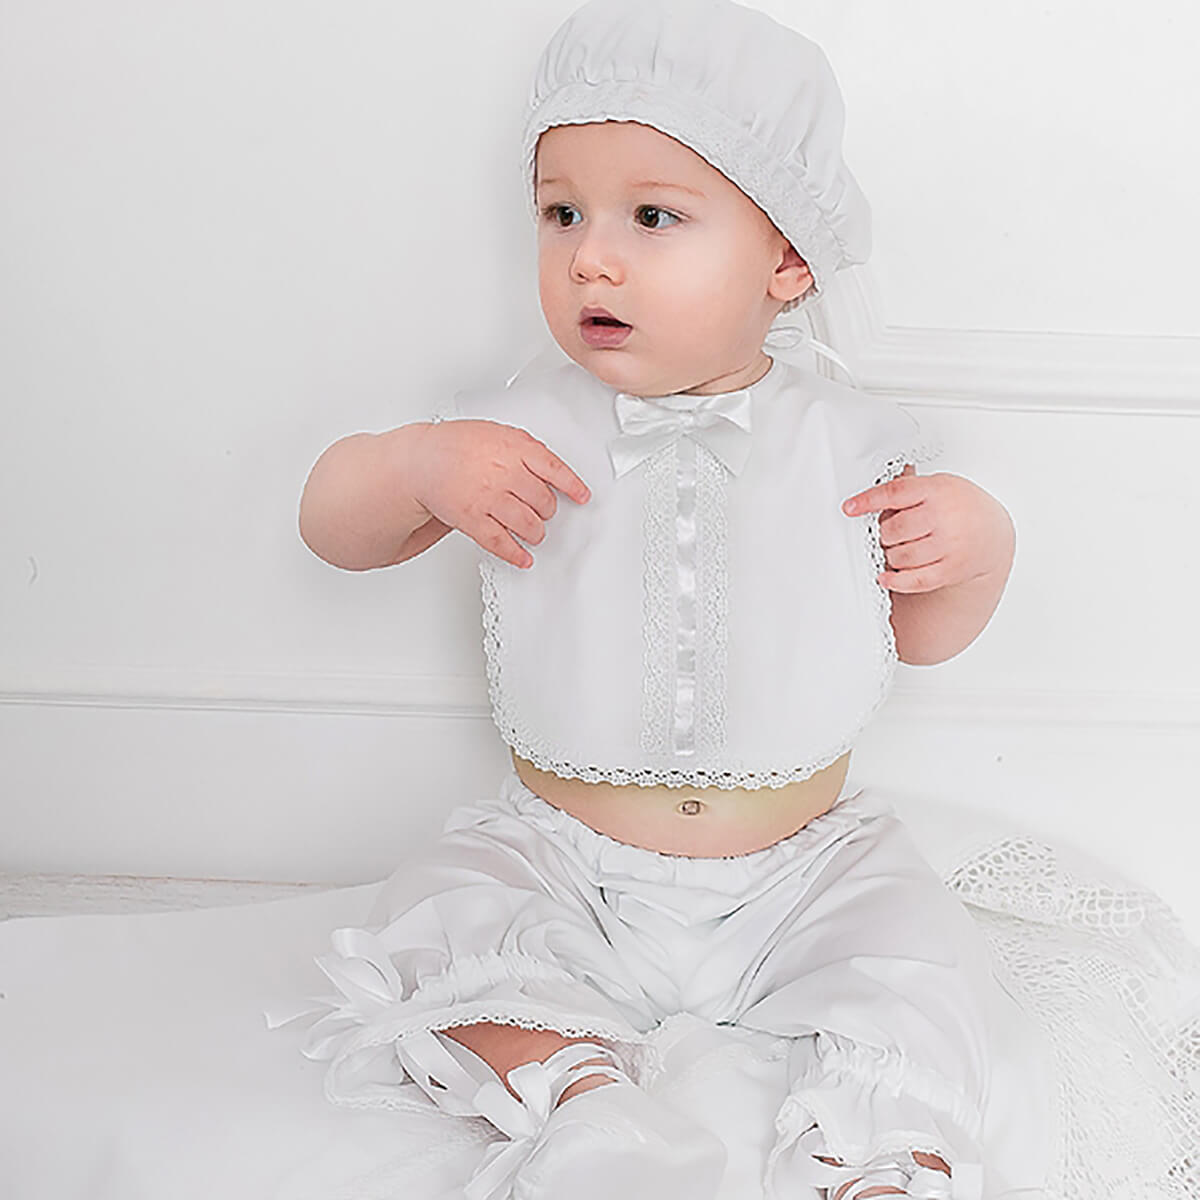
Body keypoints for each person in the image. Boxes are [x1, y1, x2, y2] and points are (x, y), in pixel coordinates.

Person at [273, 2, 1200, 1197]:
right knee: (442, 926)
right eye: (562, 213)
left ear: (787, 261)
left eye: (653, 216)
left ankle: (877, 1158)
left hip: (802, 868)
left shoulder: (851, 445)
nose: (591, 256)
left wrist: (974, 555)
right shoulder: (508, 431)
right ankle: (583, 1098)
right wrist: (409, 465)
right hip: (569, 859)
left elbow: (917, 637)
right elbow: (333, 529)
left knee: (918, 970)